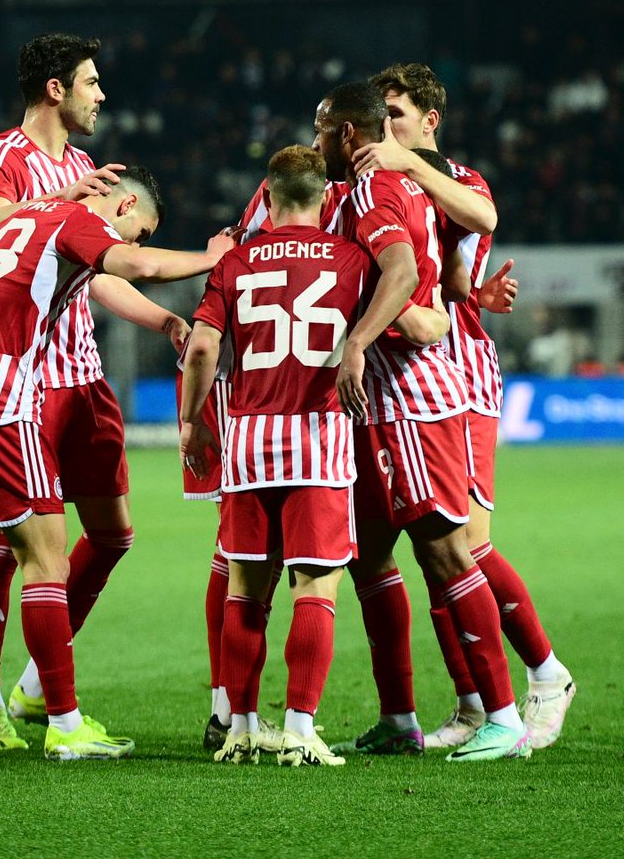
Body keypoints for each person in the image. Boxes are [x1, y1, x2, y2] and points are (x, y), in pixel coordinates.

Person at [0, 167, 234, 761]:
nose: (134, 240)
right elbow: (138, 265)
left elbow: (99, 271)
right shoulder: (79, 219)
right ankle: (63, 723)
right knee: (46, 563)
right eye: (139, 229)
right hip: (1, 396)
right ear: (125, 205)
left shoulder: (29, 213)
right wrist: (211, 258)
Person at [0, 33, 192, 754]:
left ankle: (37, 683)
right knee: (10, 548)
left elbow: (99, 270)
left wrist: (161, 319)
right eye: (91, 82)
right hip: (23, 385)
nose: (101, 95)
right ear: (55, 89)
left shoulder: (88, 169)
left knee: (113, 534)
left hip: (82, 377)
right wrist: (58, 198)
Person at [359, 63, 575, 751]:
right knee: (431, 552)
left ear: (429, 120)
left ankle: (546, 674)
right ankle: (473, 702)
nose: (385, 127)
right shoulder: (377, 184)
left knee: (465, 545)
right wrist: (469, 292)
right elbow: (450, 276)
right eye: (379, 115)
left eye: (397, 114)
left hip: (460, 374)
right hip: (400, 376)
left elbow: (482, 218)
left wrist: (407, 164)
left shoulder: (457, 177)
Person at [316, 82, 532, 762]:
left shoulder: (377, 188)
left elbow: (403, 272)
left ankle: (502, 715)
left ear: (347, 134)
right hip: (378, 403)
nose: (315, 141)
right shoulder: (381, 188)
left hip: (410, 397)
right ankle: (399, 717)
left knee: (446, 551)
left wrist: (362, 336)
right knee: (368, 555)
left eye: (321, 130)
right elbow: (440, 277)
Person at [178, 146, 366, 767]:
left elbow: (202, 348)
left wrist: (191, 421)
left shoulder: (235, 261)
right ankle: (300, 729)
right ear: (326, 196)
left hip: (250, 439)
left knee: (244, 592)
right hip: (319, 439)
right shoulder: (352, 259)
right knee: (315, 589)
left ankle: (241, 727)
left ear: (267, 193)